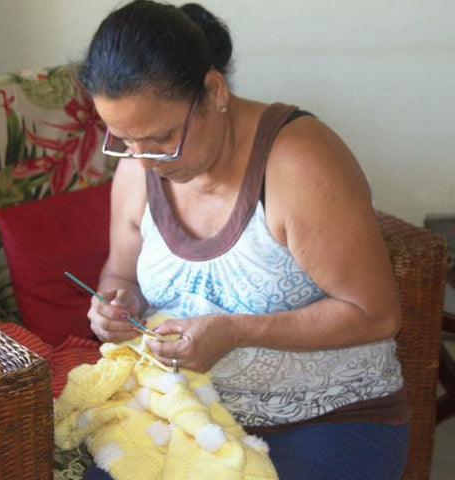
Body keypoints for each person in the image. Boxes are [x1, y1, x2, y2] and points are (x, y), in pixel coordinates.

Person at [81, 1, 409, 478]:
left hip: (325, 418)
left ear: (214, 90)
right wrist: (117, 302)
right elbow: (120, 272)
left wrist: (238, 331)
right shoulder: (137, 166)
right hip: (183, 411)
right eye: (122, 140)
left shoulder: (299, 163)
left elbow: (376, 314)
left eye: (161, 138)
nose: (143, 160)